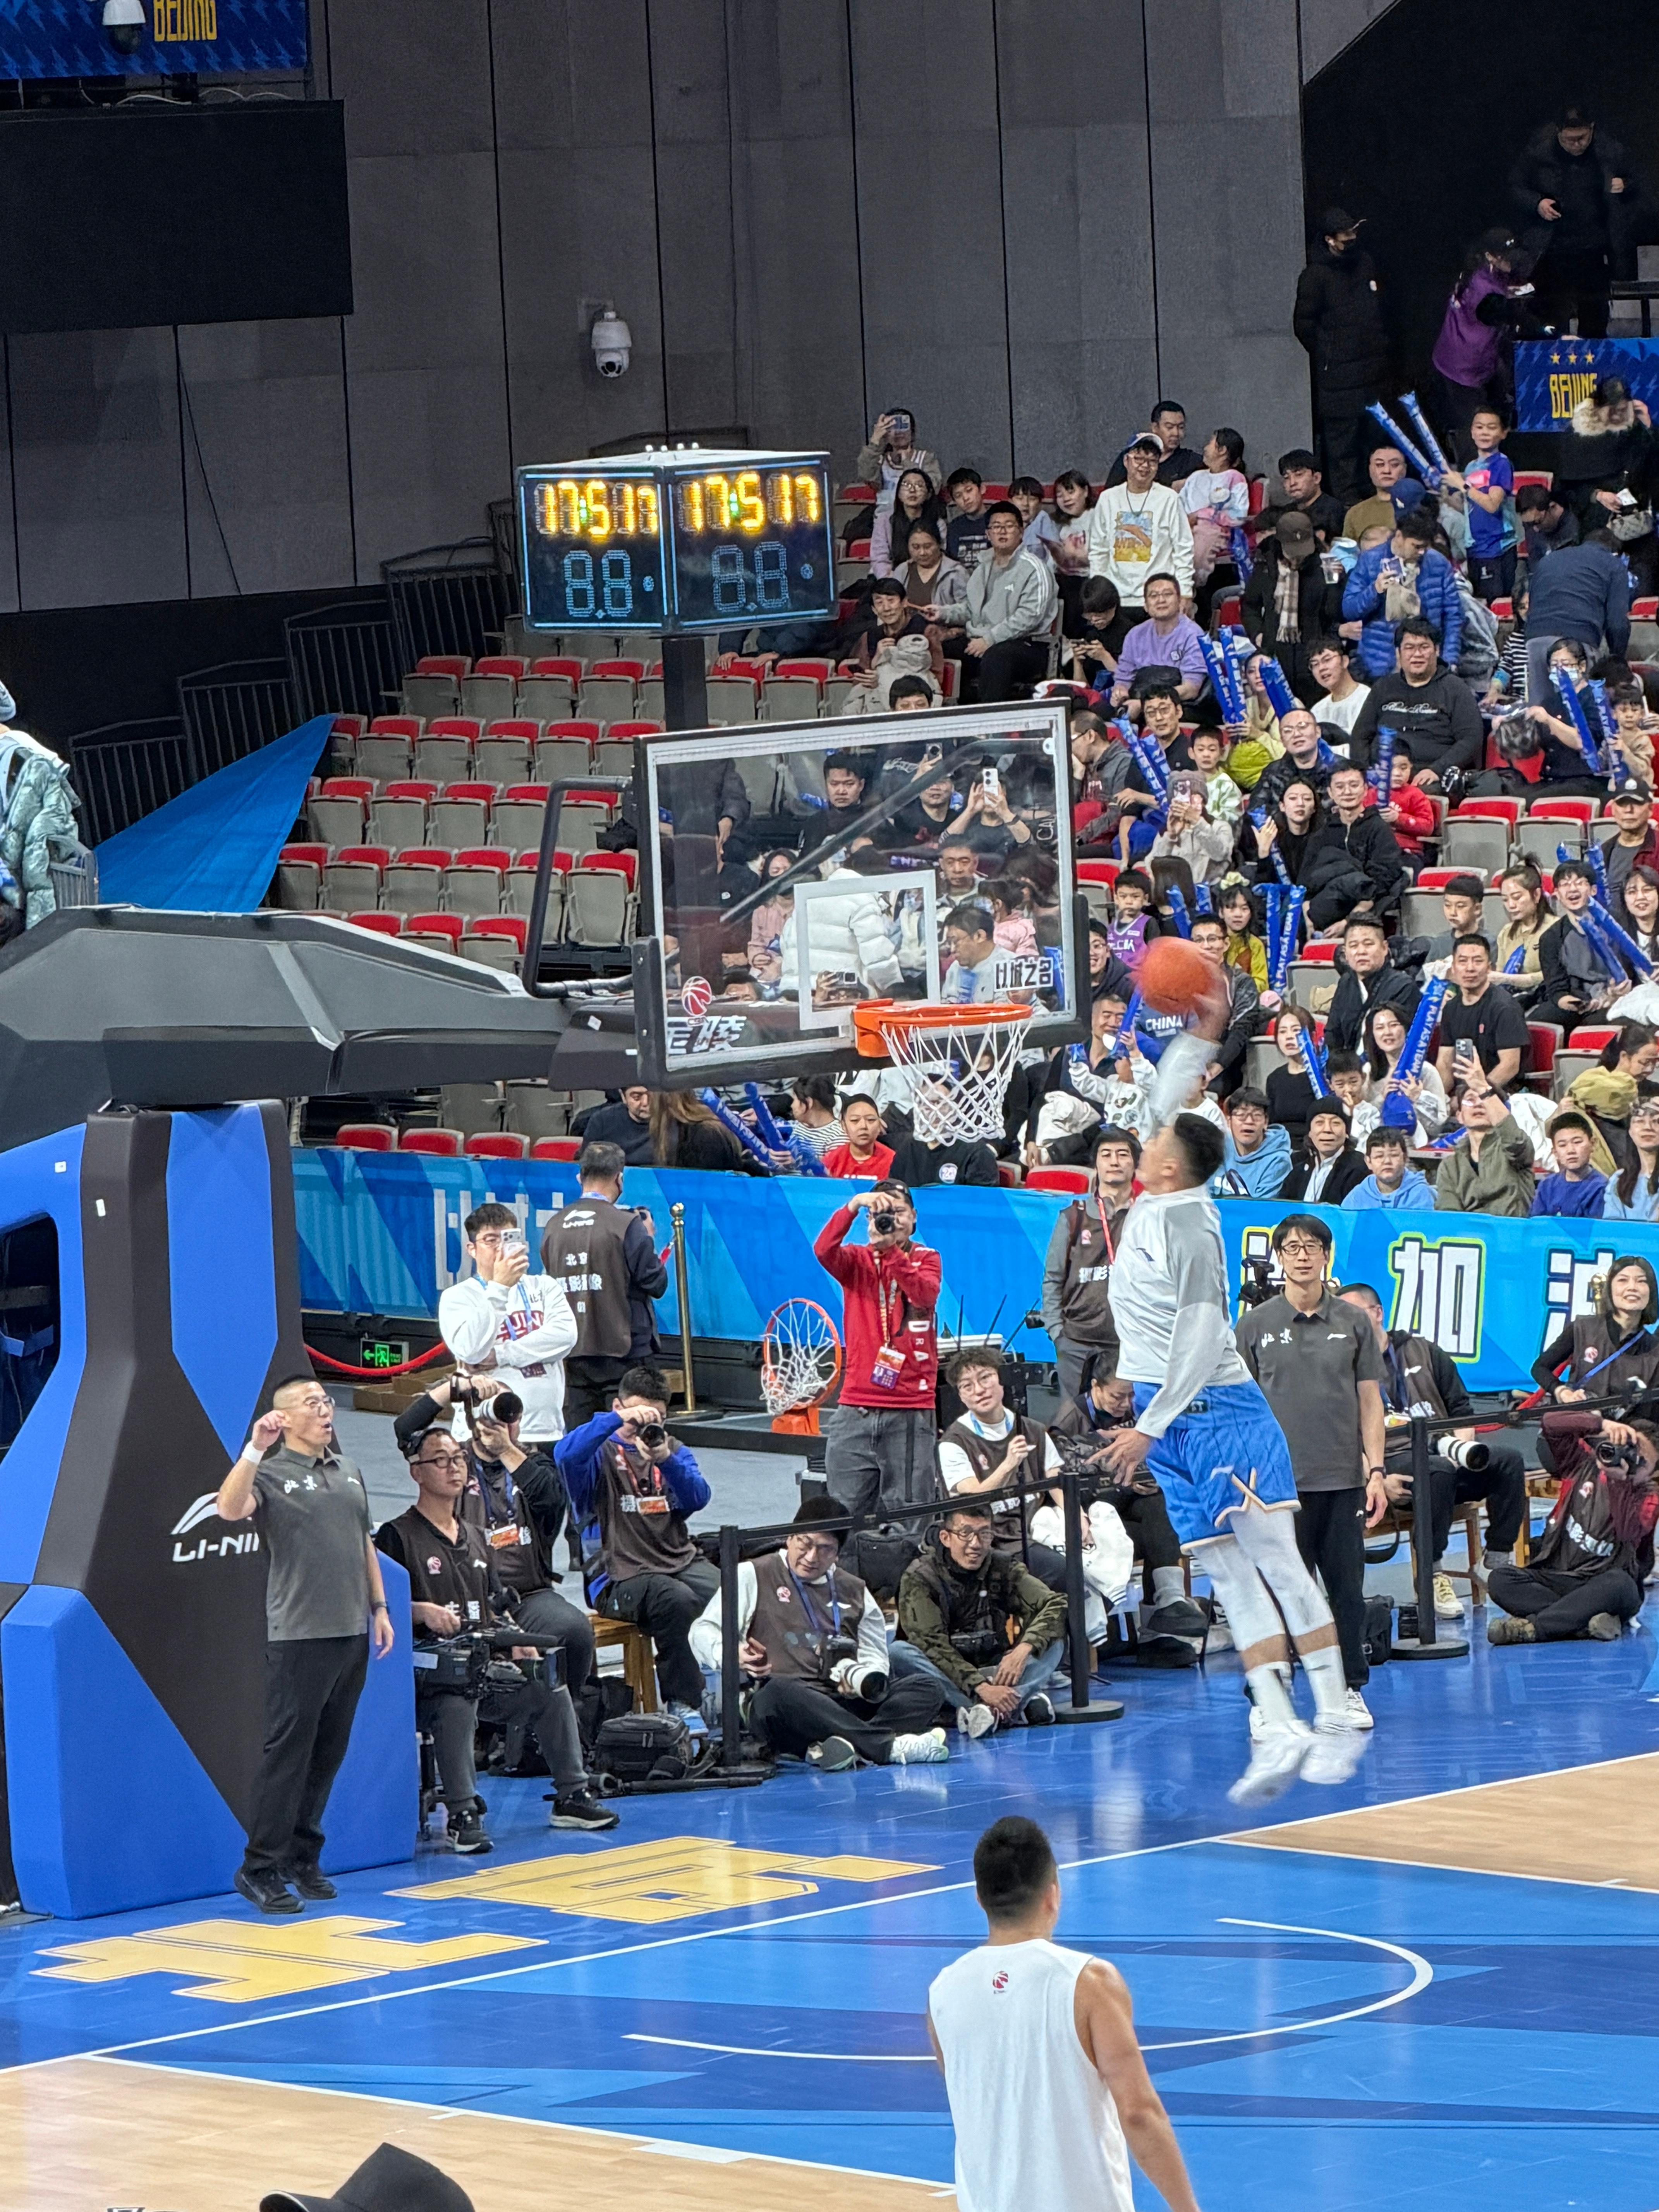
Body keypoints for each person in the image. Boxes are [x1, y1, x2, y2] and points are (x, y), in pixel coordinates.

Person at [1094, 996, 1367, 1796]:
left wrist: (1148, 1422)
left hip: (1215, 1411)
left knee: (1279, 1562)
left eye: (1153, 1140)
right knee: (1229, 1578)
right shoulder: (1156, 1194)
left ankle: (1336, 1714)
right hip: (1169, 1415)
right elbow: (1167, 1088)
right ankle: (1278, 1724)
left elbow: (1205, 1336)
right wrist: (1210, 1023)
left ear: (1171, 1163)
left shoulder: (1191, 1226)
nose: (1141, 1139)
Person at [927, 1816, 1202, 2212]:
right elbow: (1139, 2113)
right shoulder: (1090, 1983)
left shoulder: (942, 1993)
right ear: (1053, 1895)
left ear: (979, 1898)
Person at [377, 1425, 614, 1850]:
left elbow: (494, 1606)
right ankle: (462, 1811)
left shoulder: (476, 1537)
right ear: (416, 1472)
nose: (453, 1469)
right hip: (427, 1675)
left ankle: (572, 1796)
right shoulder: (396, 1537)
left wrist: (515, 1637)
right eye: (441, 1460)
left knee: (549, 1689)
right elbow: (374, 1607)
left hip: (481, 1663)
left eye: (458, 1460)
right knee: (458, 1699)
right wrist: (419, 1610)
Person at [215, 1377, 395, 1914]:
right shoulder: (269, 1474)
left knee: (327, 1755)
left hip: (351, 1632)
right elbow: (229, 1508)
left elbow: (363, 1543)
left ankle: (303, 1856)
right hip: (300, 1634)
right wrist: (255, 1448)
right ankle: (259, 1866)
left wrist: (380, 1608)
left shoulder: (349, 1473)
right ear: (285, 1418)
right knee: (288, 1755)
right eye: (312, 1404)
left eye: (326, 1401)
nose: (325, 1410)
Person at [1234, 1216, 1386, 1729]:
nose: (1303, 1255)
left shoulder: (1354, 1322)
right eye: (1293, 1247)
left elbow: (1370, 1402)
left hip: (1342, 1480)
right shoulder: (1254, 1325)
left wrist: (1377, 1471)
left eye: (1313, 1247)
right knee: (1276, 1595)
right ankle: (1267, 1702)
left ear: (1327, 1255)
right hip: (1275, 1486)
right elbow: (1239, 1409)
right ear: (1279, 1257)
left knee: (1345, 1591)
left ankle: (1347, 1691)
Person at [688, 1496, 949, 1770]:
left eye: (825, 1549)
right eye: (806, 1543)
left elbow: (875, 1655)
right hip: (783, 1702)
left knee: (927, 1687)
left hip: (840, 1699)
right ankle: (886, 1747)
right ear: (790, 1537)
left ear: (838, 1553)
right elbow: (701, 1630)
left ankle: (837, 1746)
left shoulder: (855, 1589)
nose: (812, 1557)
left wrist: (865, 1680)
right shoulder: (752, 1574)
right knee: (778, 1692)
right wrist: (732, 1652)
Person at [392, 1377, 595, 1699]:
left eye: (509, 1414)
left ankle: (572, 1717)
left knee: (575, 1631)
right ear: (474, 1419)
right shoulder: (453, 1462)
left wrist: (507, 1451)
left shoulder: (535, 1464)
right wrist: (454, 1389)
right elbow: (405, 1430)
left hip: (528, 1596)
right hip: (469, 1596)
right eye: (492, 1413)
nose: (500, 1423)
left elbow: (551, 1498)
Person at [1338, 1281, 1527, 1621]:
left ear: (1378, 1314)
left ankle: (1495, 1560)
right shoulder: (1340, 1370)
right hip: (1393, 1462)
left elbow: (1460, 1407)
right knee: (1437, 1470)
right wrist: (1375, 1477)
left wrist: (1463, 1448)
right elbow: (1340, 1437)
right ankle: (1432, 1574)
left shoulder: (1423, 1351)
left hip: (1446, 1453)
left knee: (1508, 1462)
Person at [554, 1364, 716, 1725]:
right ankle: (683, 1704)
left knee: (735, 1594)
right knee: (674, 1600)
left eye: (653, 1419)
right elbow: (564, 1455)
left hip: (678, 1561)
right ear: (618, 1408)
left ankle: (744, 1695)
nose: (643, 1429)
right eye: (635, 1417)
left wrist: (665, 1461)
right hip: (617, 1579)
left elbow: (699, 1496)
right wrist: (614, 1423)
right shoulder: (597, 1454)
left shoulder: (672, 1450)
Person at [1047, 1361, 1206, 1640]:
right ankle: (1156, 1631)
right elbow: (1071, 1483)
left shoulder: (1139, 1407)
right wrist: (1124, 1484)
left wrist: (1148, 1479)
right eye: (1117, 1397)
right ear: (1096, 1387)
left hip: (1133, 1500)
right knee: (1154, 1536)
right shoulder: (1068, 1421)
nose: (1126, 1404)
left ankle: (1170, 1604)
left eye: (1131, 1396)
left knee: (1160, 1507)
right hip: (1092, 1510)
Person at [814, 1182, 941, 1520]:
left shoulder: (927, 1258)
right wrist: (854, 1204)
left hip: (910, 1408)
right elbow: (824, 1249)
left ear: (913, 1218)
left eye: (898, 1212)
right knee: (842, 1513)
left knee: (911, 1514)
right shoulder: (856, 1259)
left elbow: (924, 1296)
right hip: (856, 1405)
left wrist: (891, 1253)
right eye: (881, 1213)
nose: (891, 1221)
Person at [1487, 1408, 1658, 1645]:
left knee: (1620, 1584)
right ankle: (1583, 1625)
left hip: (1607, 1588)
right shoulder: (1583, 1464)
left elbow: (1627, 1530)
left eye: (1641, 1461)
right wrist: (1602, 1425)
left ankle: (1535, 1629)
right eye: (1629, 1449)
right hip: (1562, 1578)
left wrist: (1620, 1482)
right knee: (1500, 1580)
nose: (1630, 1461)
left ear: (1654, 1472)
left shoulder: (1649, 1499)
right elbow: (1550, 1423)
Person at [893, 1501, 1068, 1731]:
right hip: (949, 1676)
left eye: (984, 1534)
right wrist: (981, 1688)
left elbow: (1055, 1603)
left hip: (999, 1671)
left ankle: (993, 1709)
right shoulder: (920, 1577)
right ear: (946, 1538)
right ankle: (1006, 1706)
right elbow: (932, 1646)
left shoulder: (1002, 1566)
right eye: (965, 1533)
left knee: (1053, 1641)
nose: (975, 1544)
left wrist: (1023, 1649)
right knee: (899, 1653)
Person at [539, 1144, 667, 1432]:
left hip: (574, 1352)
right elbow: (656, 1283)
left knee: (581, 1442)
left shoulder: (553, 1226)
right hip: (626, 1353)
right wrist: (647, 1238)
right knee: (631, 1440)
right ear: (620, 1179)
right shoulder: (628, 1225)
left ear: (579, 1178)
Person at [439, 1204, 578, 1450]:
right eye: (491, 1240)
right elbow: (471, 1351)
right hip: (483, 1431)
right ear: (472, 1249)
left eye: (508, 1238)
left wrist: (501, 1354)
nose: (501, 1247)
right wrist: (500, 1289)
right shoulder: (458, 1297)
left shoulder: (544, 1287)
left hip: (544, 1429)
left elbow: (566, 1336)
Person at [939, 1346, 1069, 1594]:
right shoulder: (954, 1442)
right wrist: (1009, 1464)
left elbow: (1055, 1479)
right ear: (961, 1396)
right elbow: (974, 1497)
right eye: (967, 1386)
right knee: (1062, 1570)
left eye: (985, 1378)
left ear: (1002, 1379)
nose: (979, 1390)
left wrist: (1077, 1518)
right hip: (993, 1540)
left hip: (1034, 1528)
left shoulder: (1031, 1428)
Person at [1508, 105, 1640, 340]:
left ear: (1592, 129)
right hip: (1553, 250)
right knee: (1550, 317)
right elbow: (1516, 187)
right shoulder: (1539, 153)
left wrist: (1626, 185)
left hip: (1594, 250)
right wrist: (1537, 203)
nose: (1577, 145)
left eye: (1582, 138)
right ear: (1558, 133)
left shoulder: (1610, 151)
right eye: (1570, 140)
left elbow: (1640, 183)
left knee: (1595, 318)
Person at [1293, 207, 1391, 507]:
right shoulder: (1315, 275)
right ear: (1329, 240)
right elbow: (1303, 325)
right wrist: (1330, 353)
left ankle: (1375, 496)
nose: (1351, 239)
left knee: (1371, 438)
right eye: (1344, 236)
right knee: (1342, 445)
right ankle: (1348, 503)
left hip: (1372, 373)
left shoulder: (1365, 263)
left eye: (1353, 233)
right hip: (1337, 377)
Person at [1042, 1127, 1138, 1401]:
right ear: (1096, 1164)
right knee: (1075, 1426)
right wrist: (1057, 1332)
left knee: (1124, 1424)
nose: (1115, 1161)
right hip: (1076, 1342)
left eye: (1123, 1154)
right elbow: (1053, 1278)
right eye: (1106, 1155)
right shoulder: (1074, 1216)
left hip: (1128, 1343)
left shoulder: (1146, 1217)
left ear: (1135, 1164)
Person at [927, 502, 1056, 704]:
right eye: (996, 526)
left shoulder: (1034, 568)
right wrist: (943, 613)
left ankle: (990, 725)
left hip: (1028, 645)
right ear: (988, 534)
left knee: (997, 657)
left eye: (1009, 526)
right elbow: (971, 609)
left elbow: (1029, 617)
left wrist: (990, 639)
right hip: (983, 641)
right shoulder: (982, 569)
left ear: (1021, 532)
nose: (1002, 531)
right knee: (942, 649)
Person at [1346, 619, 1484, 793]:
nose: (1417, 654)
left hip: (1430, 777)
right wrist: (1367, 771)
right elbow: (1360, 736)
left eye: (1424, 647)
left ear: (1437, 650)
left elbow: (1471, 738)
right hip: (1383, 774)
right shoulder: (1383, 687)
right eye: (1409, 648)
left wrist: (1437, 770)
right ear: (1398, 653)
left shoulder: (1456, 688)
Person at [1342, 508, 1464, 685]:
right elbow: (1349, 610)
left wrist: (1449, 659)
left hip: (1427, 663)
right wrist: (1374, 590)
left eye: (1425, 547)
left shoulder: (1439, 564)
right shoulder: (1370, 561)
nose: (1422, 552)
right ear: (1399, 537)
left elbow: (1453, 615)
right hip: (1380, 664)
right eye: (1417, 546)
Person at [1522, 531, 1631, 714]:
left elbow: (1531, 604)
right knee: (1583, 713)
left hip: (1536, 639)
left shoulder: (1549, 559)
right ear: (1615, 552)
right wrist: (1617, 659)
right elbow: (1618, 623)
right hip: (1580, 639)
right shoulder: (1614, 564)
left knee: (1539, 713)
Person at [1530, 1254, 1659, 1402]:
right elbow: (1540, 1368)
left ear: (1652, 1292)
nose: (1632, 1288)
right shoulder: (1583, 1328)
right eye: (1623, 1280)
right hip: (1580, 1421)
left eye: (1641, 1282)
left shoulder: (1654, 1350)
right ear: (1610, 1288)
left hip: (1625, 1424)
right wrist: (1562, 1391)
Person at [1087, 438, 1195, 613]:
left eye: (1152, 461)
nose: (1145, 466)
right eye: (1139, 459)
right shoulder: (1108, 499)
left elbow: (1183, 548)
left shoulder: (1169, 499)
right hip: (1117, 599)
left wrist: (1186, 592)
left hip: (1158, 600)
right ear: (1126, 461)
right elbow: (1098, 550)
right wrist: (1099, 593)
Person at [1241, 511, 1341, 698]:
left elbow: (1334, 614)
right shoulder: (1264, 566)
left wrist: (1335, 583)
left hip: (1313, 655)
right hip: (1276, 653)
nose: (1299, 556)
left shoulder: (1327, 565)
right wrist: (1258, 635)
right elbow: (1250, 606)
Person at [1305, 760, 1406, 930]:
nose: (1347, 792)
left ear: (1366, 789)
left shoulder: (1378, 828)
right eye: (1340, 787)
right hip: (1327, 907)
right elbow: (1307, 881)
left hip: (1368, 910)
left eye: (1354, 785)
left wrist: (1349, 922)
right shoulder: (1322, 834)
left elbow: (1383, 879)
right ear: (1331, 792)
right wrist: (1309, 922)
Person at [1536, 859, 1624, 1034]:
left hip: (1615, 998)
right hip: (1576, 1001)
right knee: (1536, 1024)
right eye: (1565, 884)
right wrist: (1572, 1003)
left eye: (1580, 883)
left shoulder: (1616, 924)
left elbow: (1629, 971)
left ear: (1593, 890)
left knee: (1603, 1022)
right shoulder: (1551, 938)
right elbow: (1557, 989)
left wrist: (1614, 994)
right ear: (1557, 894)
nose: (1572, 889)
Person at [1434, 936, 1530, 1093]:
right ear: (1453, 969)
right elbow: (1445, 1062)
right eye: (1463, 961)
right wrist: (1440, 1099)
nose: (1470, 968)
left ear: (1489, 968)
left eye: (1478, 961)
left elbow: (1510, 1066)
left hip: (1502, 1094)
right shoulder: (1450, 1009)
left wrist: (1475, 1095)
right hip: (1463, 1095)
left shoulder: (1505, 1007)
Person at [1445, 405, 1520, 601]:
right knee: (1482, 602)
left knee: (1499, 605)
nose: (1484, 432)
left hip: (1497, 548)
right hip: (1475, 548)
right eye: (1479, 427)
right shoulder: (1471, 467)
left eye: (1491, 427)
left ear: (1504, 433)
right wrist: (1444, 491)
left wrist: (1464, 487)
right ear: (1472, 431)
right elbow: (1468, 508)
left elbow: (1492, 505)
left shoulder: (1502, 464)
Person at [1434, 1082, 1536, 1216]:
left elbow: (1516, 1141)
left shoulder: (1513, 1150)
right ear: (1460, 1116)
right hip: (1469, 1235)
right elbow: (1449, 1214)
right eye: (1470, 1100)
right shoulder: (1450, 1165)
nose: (1478, 1104)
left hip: (1511, 1231)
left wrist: (1484, 1089)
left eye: (1483, 1099)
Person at [1109, 572, 1209, 709]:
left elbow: (1191, 688)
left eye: (1168, 594)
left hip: (1178, 706)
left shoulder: (1193, 635)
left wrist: (1146, 704)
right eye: (1154, 596)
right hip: (1138, 700)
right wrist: (1120, 693)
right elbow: (1123, 678)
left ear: (1180, 601)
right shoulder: (1135, 635)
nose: (1161, 600)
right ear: (1145, 605)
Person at [1323, 912, 1419, 1051]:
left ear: (1385, 948)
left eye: (1368, 944)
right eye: (1354, 946)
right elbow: (1333, 1035)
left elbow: (1405, 1043)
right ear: (1345, 952)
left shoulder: (1403, 987)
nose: (1361, 951)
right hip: (1350, 1067)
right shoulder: (1346, 982)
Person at [1279, 1098, 1368, 1205]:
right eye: (1320, 1123)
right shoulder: (1297, 1168)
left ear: (1347, 1132)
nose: (1327, 1129)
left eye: (1336, 1123)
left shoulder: (1358, 1167)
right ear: (1310, 1133)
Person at [1105, 399, 1204, 488]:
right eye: (1170, 427)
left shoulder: (1191, 461)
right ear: (1155, 428)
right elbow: (1111, 493)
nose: (1176, 433)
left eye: (1181, 427)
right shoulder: (1132, 457)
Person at [1212, 1088, 1291, 1198]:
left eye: (1257, 1115)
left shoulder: (1278, 1161)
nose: (1249, 1121)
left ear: (1266, 1122)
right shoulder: (1218, 1147)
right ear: (1229, 1121)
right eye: (1241, 1115)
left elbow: (1260, 1209)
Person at [1341, 444, 1427, 544]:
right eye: (1380, 465)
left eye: (1395, 465)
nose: (1387, 471)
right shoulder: (1356, 513)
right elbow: (1347, 555)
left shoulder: (1420, 507)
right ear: (1370, 469)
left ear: (1405, 469)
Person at [870, 465, 948, 576]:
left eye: (919, 486)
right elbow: (879, 559)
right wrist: (892, 582)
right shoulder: (885, 521)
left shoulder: (938, 524)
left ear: (928, 494)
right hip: (889, 580)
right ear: (899, 494)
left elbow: (940, 558)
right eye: (906, 485)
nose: (912, 490)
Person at [856, 408, 943, 505]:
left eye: (904, 425)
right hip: (886, 514)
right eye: (892, 427)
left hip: (919, 514)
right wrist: (875, 441)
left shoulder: (926, 458)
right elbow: (866, 475)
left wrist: (908, 463)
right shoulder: (880, 460)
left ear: (912, 432)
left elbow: (933, 488)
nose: (898, 432)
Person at [1531, 1112, 1608, 1218]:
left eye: (1577, 1142)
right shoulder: (1547, 1186)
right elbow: (1537, 1225)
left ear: (1593, 1144)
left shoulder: (1601, 1188)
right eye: (1563, 1145)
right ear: (1555, 1152)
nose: (1571, 1151)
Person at [1342, 1122, 1436, 1209]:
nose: (1387, 1162)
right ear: (1369, 1162)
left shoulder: (1421, 1193)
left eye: (1394, 1155)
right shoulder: (1358, 1195)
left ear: (1405, 1158)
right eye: (1379, 1156)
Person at [1602, 1095, 1659, 1220]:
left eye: (1657, 1121)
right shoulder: (1619, 1181)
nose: (1648, 1128)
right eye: (1640, 1121)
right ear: (1630, 1130)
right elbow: (1612, 1229)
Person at [575, 1083, 654, 1166]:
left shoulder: (668, 1121)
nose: (645, 1103)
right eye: (636, 1098)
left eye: (652, 1096)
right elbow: (586, 1164)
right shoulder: (602, 1120)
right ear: (624, 1097)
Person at [823, 1092, 894, 1180]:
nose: (863, 1126)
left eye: (871, 1120)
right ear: (843, 1126)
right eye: (855, 1120)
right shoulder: (831, 1161)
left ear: (880, 1124)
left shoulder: (893, 1160)